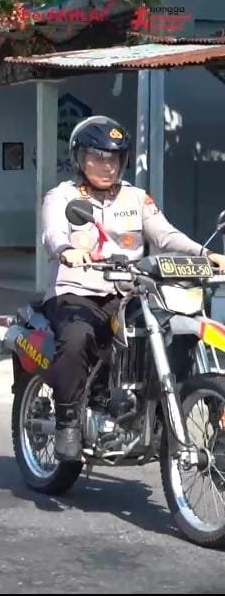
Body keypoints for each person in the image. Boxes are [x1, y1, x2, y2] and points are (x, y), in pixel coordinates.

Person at [41, 115, 225, 461]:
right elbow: (54, 233)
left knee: (171, 331)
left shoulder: (136, 198)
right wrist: (67, 250)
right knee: (78, 338)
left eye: (114, 158)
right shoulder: (62, 196)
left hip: (128, 293)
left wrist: (206, 254)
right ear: (79, 158)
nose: (107, 166)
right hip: (77, 293)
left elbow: (165, 235)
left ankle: (157, 412)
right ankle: (67, 421)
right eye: (98, 157)